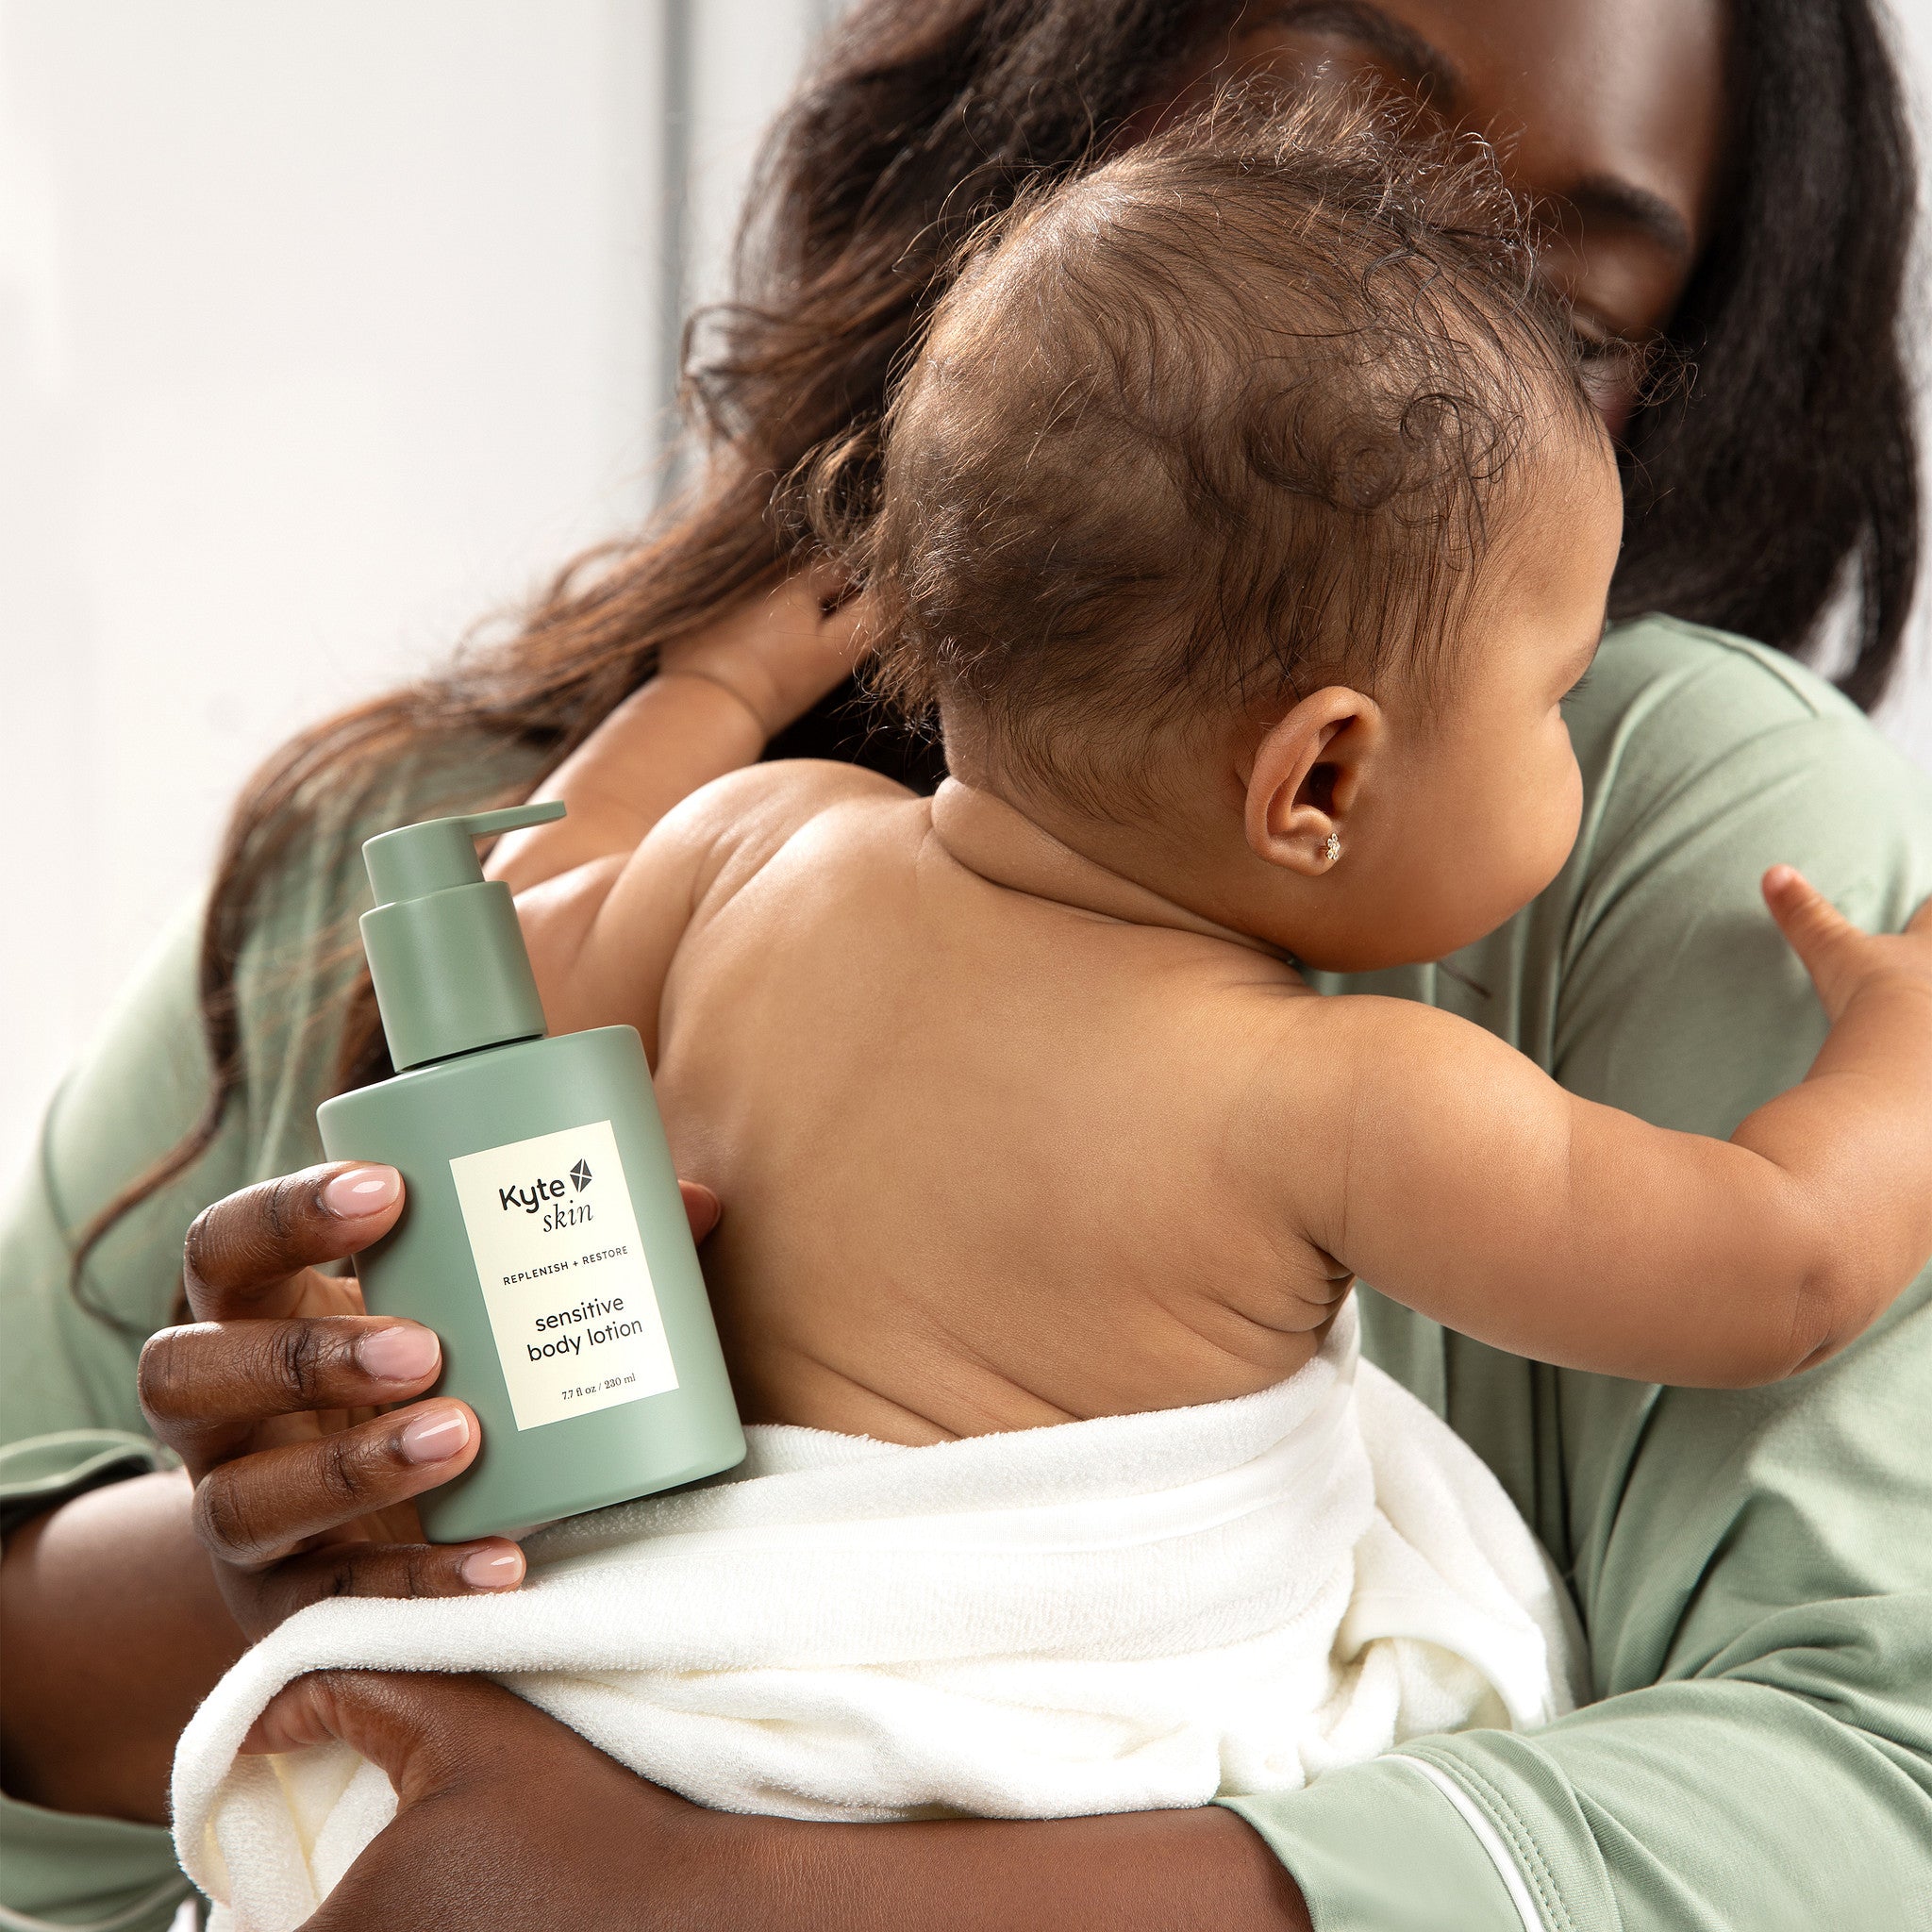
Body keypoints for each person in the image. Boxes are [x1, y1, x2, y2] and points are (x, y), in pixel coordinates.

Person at [2, 2, 1927, 1927]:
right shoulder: (1336, 1098)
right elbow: (1779, 1265)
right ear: (1320, 778)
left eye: (1564, 320)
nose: (1415, 332)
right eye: (1305, 188)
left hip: (596, 1729)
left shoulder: (749, 852)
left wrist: (708, 693)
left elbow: (507, 937)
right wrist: (1901, 1059)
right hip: (1006, 1743)